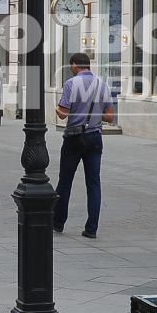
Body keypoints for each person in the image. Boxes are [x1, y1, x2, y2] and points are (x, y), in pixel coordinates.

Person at [53, 52, 115, 239]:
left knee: (65, 181)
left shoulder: (71, 83)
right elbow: (110, 117)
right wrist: (95, 114)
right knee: (94, 183)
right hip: (95, 137)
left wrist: (56, 107)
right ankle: (91, 228)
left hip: (74, 138)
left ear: (74, 65)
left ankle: (58, 222)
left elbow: (63, 114)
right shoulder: (102, 85)